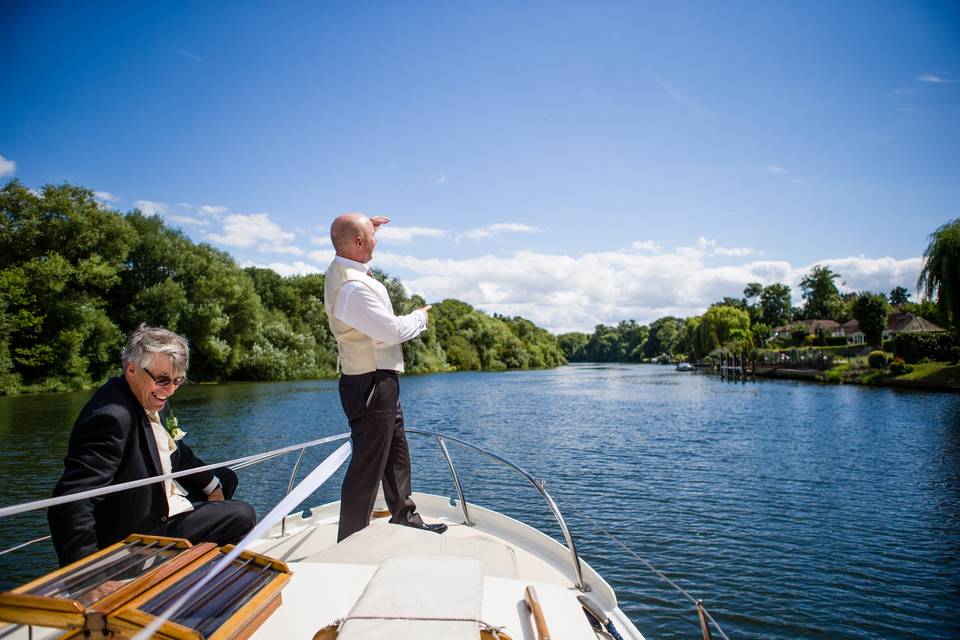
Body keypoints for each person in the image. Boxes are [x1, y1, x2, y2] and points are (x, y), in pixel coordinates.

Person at [47, 325, 256, 566]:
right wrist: (86, 575)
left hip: (160, 499)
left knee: (225, 479)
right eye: (162, 379)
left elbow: (177, 453)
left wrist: (212, 485)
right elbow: (70, 502)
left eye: (178, 381)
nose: (170, 391)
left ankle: (188, 560)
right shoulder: (110, 418)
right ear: (132, 369)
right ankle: (186, 576)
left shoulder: (153, 396)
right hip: (137, 533)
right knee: (242, 515)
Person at [324, 213, 447, 541]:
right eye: (371, 237)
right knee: (368, 465)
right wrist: (419, 318)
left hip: (378, 380)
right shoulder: (352, 288)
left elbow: (352, 239)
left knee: (395, 451)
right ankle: (350, 540)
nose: (376, 242)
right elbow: (391, 331)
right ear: (360, 243)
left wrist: (367, 226)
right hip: (369, 382)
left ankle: (404, 516)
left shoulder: (346, 270)